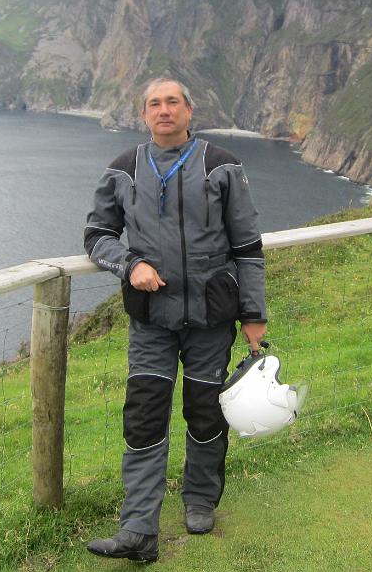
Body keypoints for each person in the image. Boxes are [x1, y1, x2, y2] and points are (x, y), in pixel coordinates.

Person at [83, 78, 267, 562]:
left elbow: (248, 248)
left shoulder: (222, 164)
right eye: (153, 104)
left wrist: (254, 315)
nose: (163, 110)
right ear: (143, 115)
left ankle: (201, 499)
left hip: (211, 316)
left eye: (172, 102)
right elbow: (97, 235)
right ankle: (139, 529)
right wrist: (130, 265)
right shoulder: (123, 169)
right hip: (151, 319)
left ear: (189, 110)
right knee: (144, 416)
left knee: (205, 413)